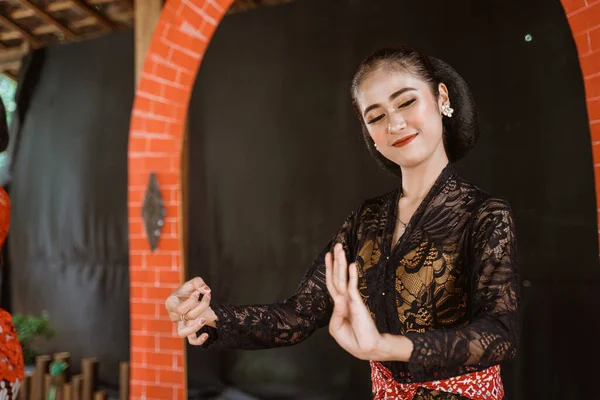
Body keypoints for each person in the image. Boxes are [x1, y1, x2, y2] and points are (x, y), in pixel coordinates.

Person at [165, 47, 519, 400]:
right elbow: (299, 314)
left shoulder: (484, 213)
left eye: (406, 102)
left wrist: (386, 347)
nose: (394, 124)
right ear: (370, 134)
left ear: (441, 97)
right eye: (376, 116)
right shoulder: (367, 220)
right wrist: (209, 316)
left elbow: (500, 334)